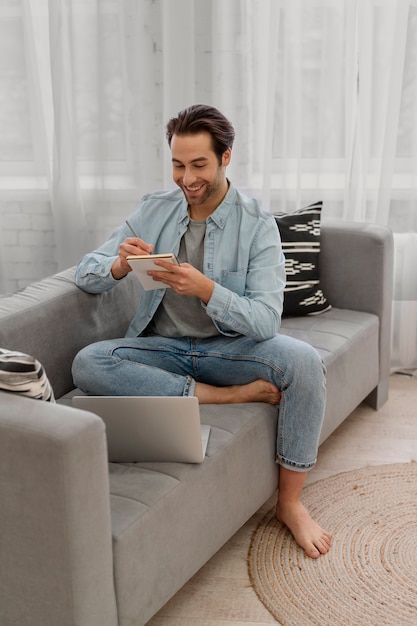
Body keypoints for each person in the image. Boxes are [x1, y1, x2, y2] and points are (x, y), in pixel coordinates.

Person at [72, 104, 331, 558]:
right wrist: (118, 263)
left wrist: (208, 289)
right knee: (89, 361)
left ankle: (290, 503)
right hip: (162, 348)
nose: (186, 178)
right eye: (177, 164)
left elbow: (266, 321)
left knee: (305, 362)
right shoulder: (153, 209)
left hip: (229, 352)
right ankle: (223, 396)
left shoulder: (257, 225)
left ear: (225, 158)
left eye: (198, 165)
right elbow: (85, 272)